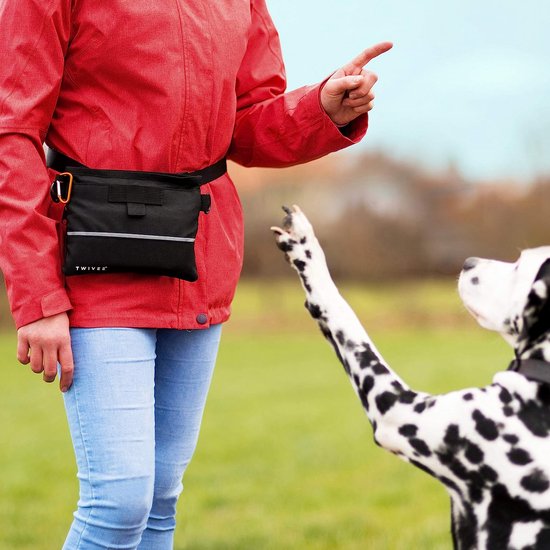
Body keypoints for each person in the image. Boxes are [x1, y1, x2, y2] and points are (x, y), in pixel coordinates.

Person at [0, 0, 392, 548]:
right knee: (119, 501)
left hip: (200, 258)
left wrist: (322, 107)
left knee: (161, 497)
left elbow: (249, 124)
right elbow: (11, 135)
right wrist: (38, 295)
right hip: (95, 261)